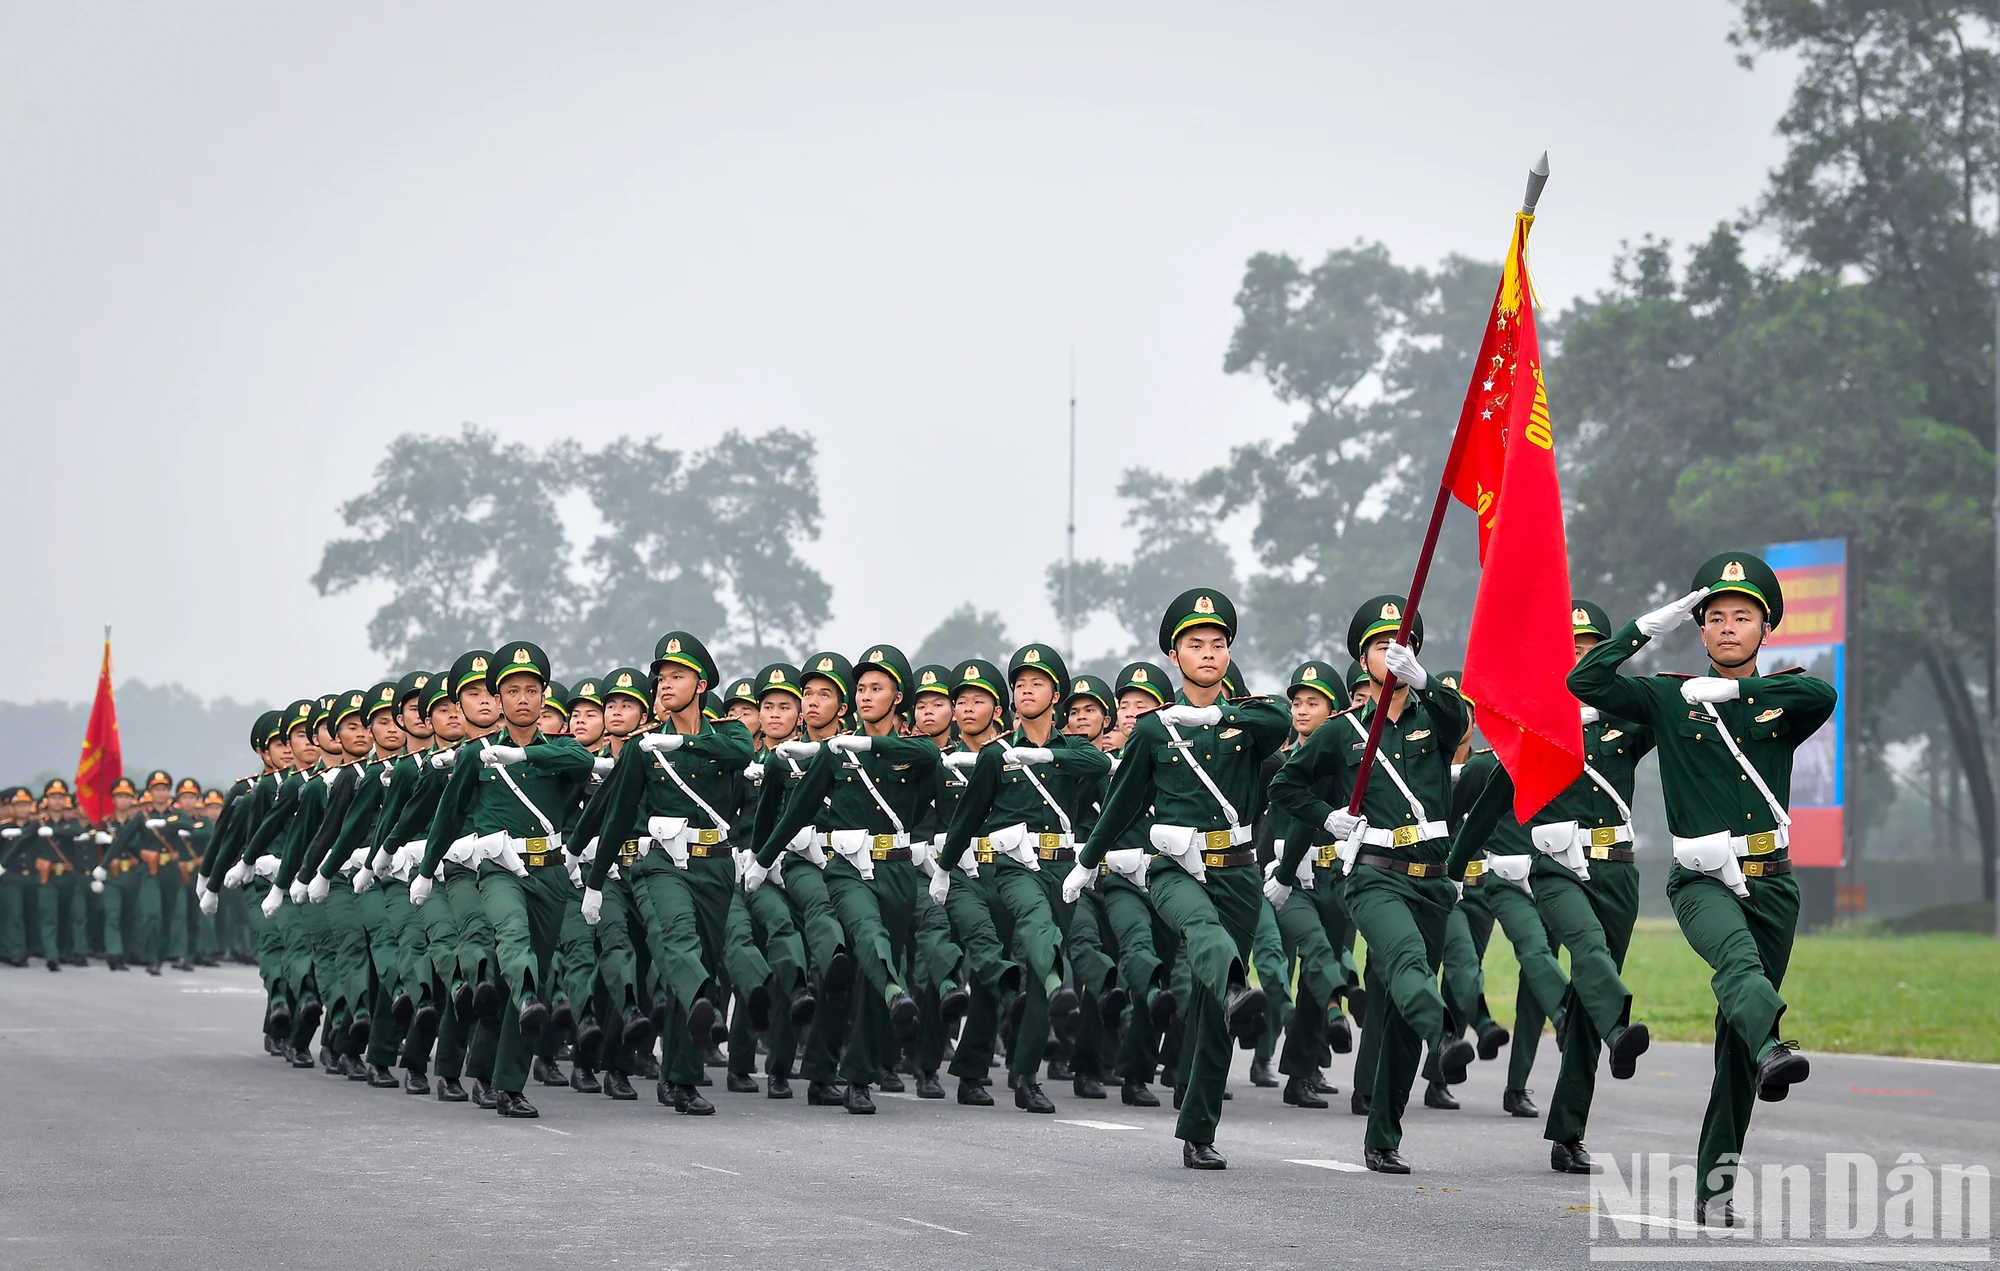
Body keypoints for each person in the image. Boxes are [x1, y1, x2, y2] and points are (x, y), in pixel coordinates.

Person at [1569, 553, 1834, 1227]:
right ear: (1700, 626)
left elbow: (1821, 696)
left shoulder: (1780, 697)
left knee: (1733, 1045)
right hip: (1702, 881)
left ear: (1764, 627)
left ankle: (1715, 1187)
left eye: (1741, 616)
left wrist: (1738, 694)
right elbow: (1585, 678)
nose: (1725, 628)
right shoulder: (1666, 697)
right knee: (1739, 970)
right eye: (1714, 616)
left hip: (1773, 883)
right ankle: (1776, 1041)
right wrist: (1647, 626)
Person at [1071, 590, 1286, 1169]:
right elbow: (1121, 804)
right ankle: (1241, 987)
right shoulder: (1151, 732)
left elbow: (1282, 717)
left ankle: (1198, 1131)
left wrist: (1219, 713)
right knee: (1207, 941)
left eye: (1218, 645)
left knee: (1213, 1011)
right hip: (1174, 869)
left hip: (1237, 872)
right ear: (1174, 655)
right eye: (1195, 645)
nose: (1208, 654)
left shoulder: (1247, 722)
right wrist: (1087, 861)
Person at [1268, 595, 1477, 1174]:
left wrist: (1427, 682)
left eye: (1403, 643)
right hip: (1373, 877)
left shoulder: (1436, 715)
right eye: (1382, 646)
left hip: (1432, 881)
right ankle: (1445, 1037)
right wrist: (1327, 817)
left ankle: (1383, 1135)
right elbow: (1285, 788)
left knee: (1402, 1008)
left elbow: (1461, 724)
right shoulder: (1340, 734)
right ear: (1363, 660)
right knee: (1406, 959)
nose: (1394, 653)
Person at [746, 644, 942, 1114]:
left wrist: (871, 745)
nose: (866, 695)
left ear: (898, 698)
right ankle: (894, 1000)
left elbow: (928, 769)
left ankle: (849, 1076)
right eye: (862, 688)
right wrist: (762, 857)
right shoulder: (835, 753)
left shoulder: (908, 750)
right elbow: (796, 808)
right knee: (864, 945)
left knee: (871, 975)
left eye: (877, 688)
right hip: (845, 869)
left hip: (896, 868)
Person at [417, 642, 596, 1119]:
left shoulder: (559, 750)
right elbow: (449, 814)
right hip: (497, 868)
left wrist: (526, 758)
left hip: (551, 872)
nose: (522, 699)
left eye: (531, 690)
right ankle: (527, 1002)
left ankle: (505, 1085)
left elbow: (581, 765)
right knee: (513, 947)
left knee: (516, 978)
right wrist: (424, 869)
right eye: (511, 690)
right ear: (498, 700)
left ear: (543, 698)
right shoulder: (476, 754)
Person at [582, 632, 754, 1116]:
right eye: (660, 677)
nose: (664, 684)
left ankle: (680, 1078)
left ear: (700, 684)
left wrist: (679, 740)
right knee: (680, 941)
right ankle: (708, 999)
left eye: (676, 676)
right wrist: (594, 879)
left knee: (697, 955)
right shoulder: (642, 748)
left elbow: (739, 754)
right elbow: (616, 815)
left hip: (715, 863)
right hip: (659, 862)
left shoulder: (729, 733)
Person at [945, 644, 1109, 1114]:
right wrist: (944, 868)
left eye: (1036, 683)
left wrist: (1046, 759)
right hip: (1005, 871)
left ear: (1055, 694)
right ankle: (973, 1069)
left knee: (1039, 976)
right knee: (999, 972)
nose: (1025, 690)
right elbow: (969, 814)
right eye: (1019, 684)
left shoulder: (1073, 749)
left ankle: (1025, 1075)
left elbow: (1099, 767)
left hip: (1060, 869)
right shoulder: (997, 756)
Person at [1261, 660, 1358, 1110]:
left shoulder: (1345, 764)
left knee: (1316, 975)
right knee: (1318, 953)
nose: (1300, 711)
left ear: (1333, 712)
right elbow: (1264, 825)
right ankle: (1343, 1004)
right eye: (1296, 703)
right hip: (1287, 883)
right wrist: (1269, 871)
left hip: (1333, 877)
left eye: (1312, 703)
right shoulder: (1279, 764)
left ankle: (1301, 1073)